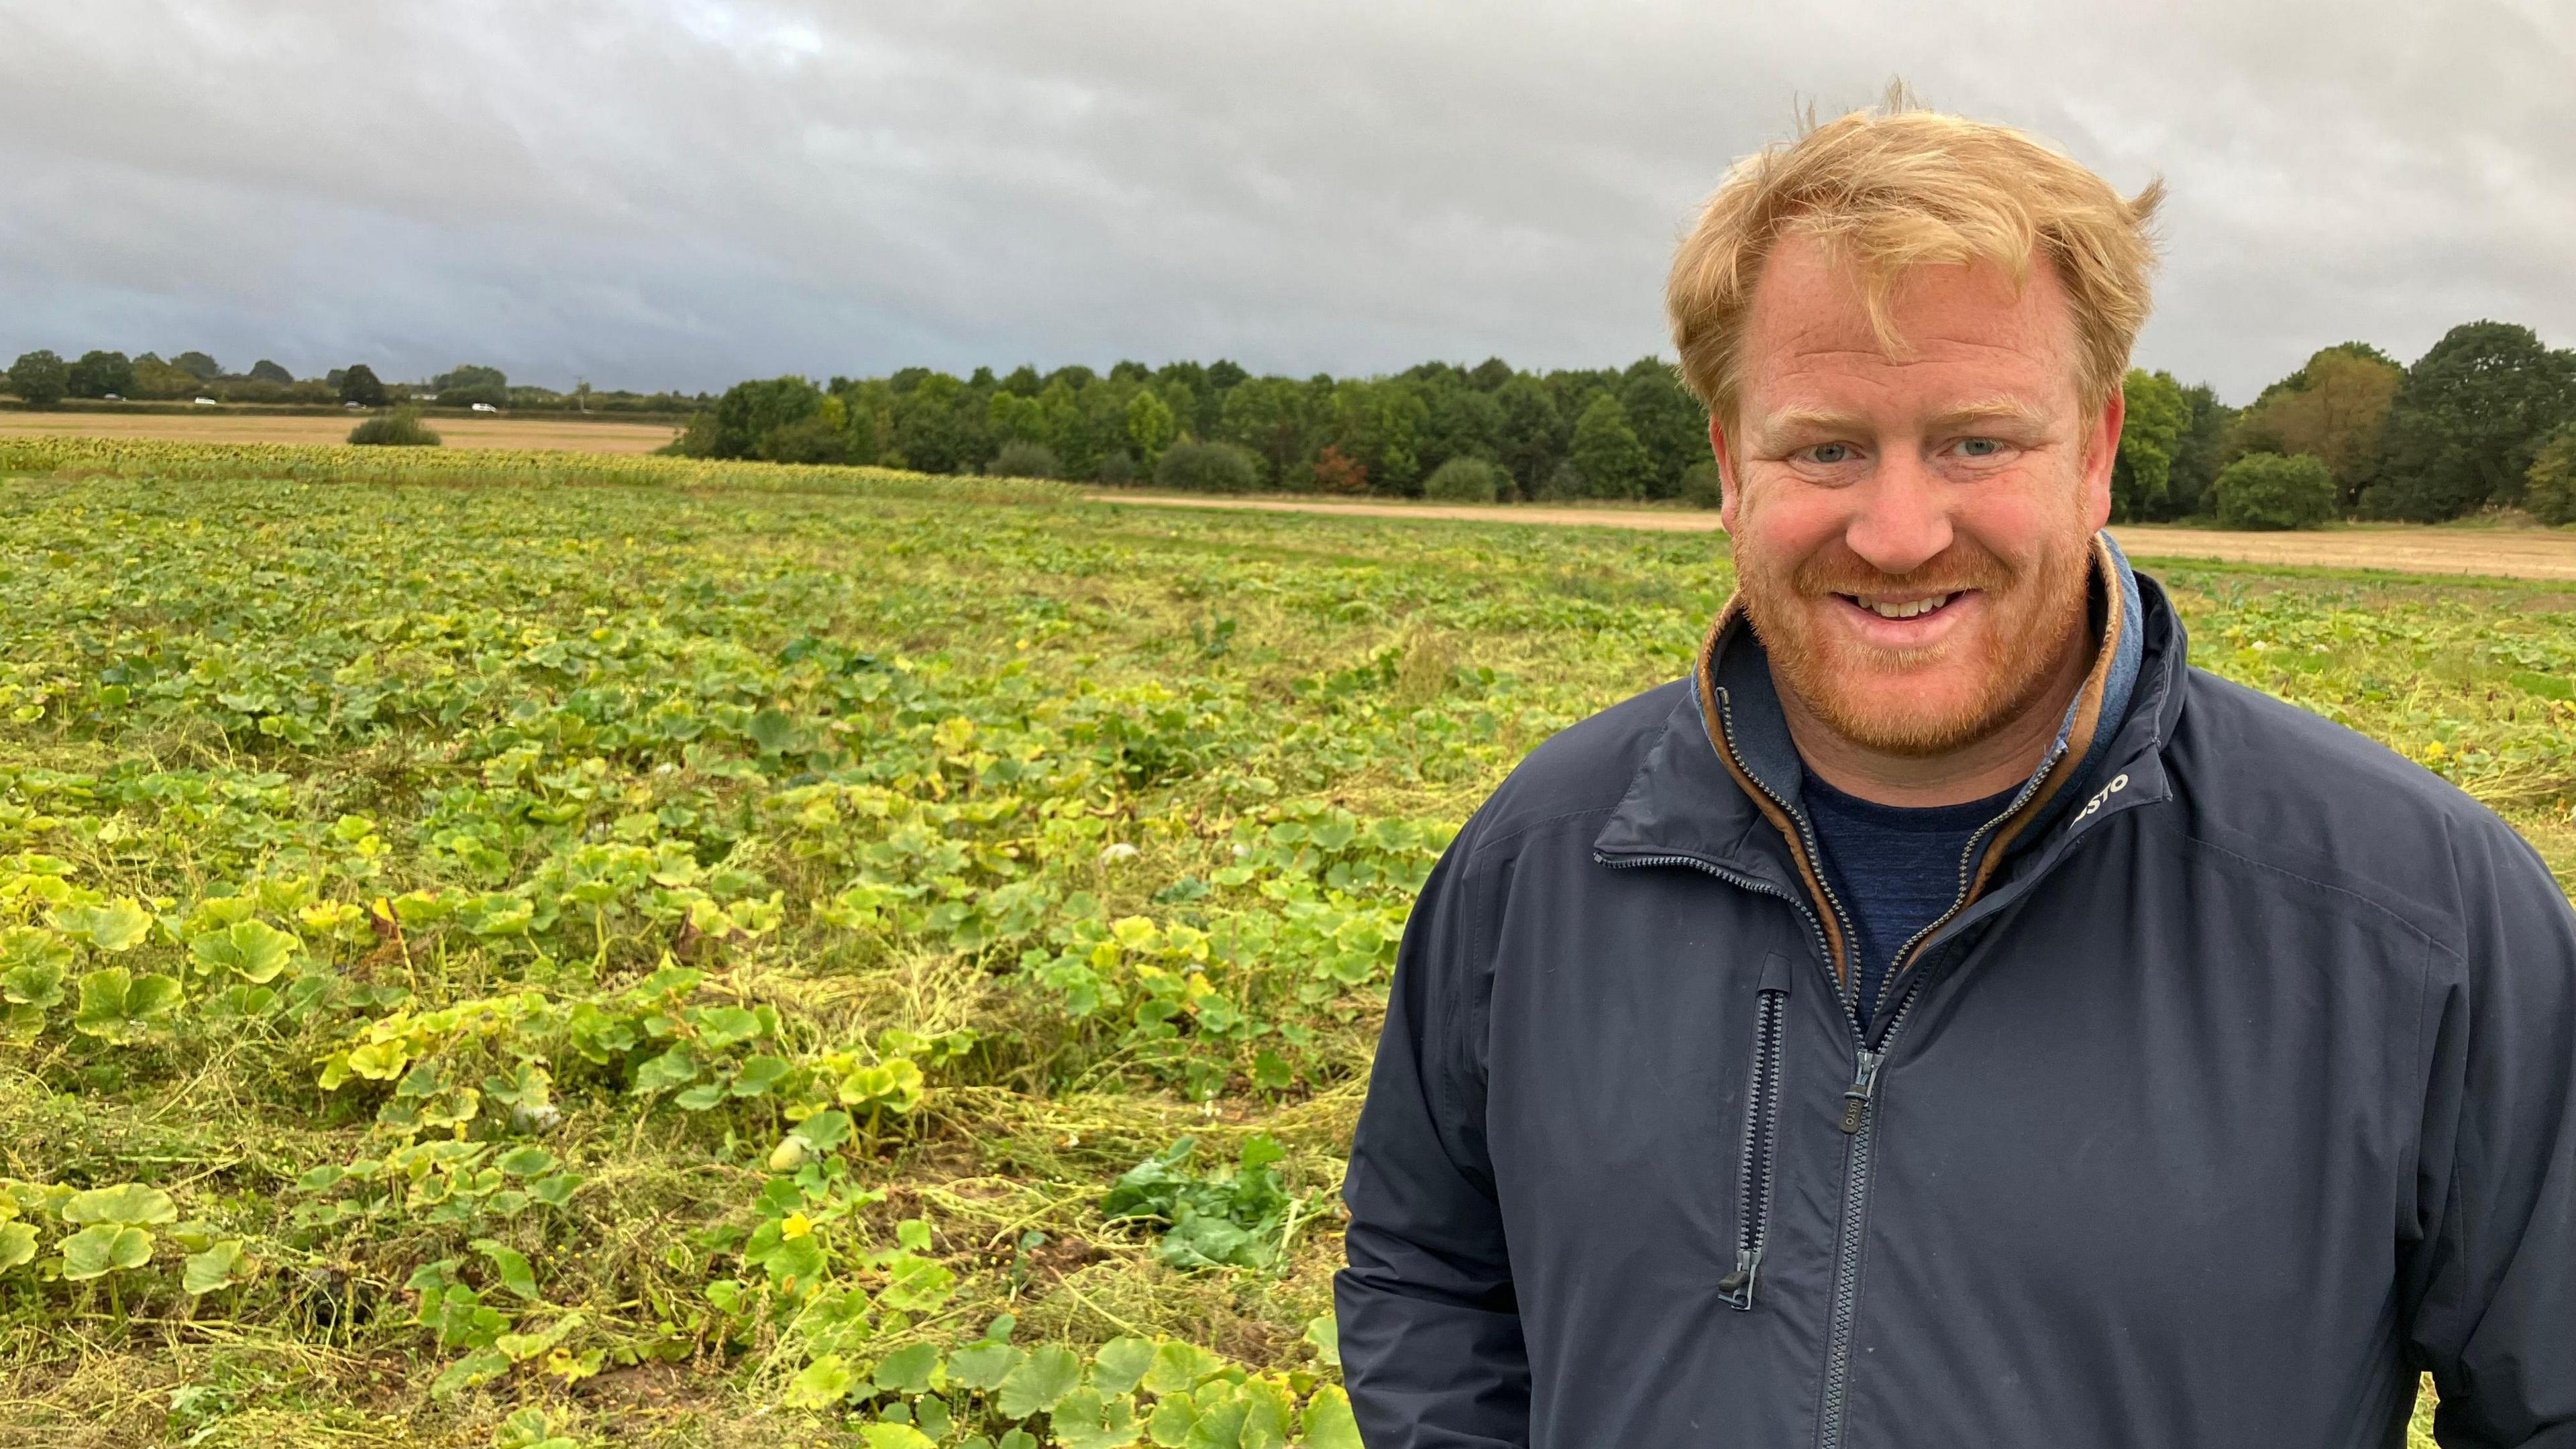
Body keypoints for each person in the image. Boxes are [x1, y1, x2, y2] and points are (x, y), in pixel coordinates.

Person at [1335, 95, 2576, 1448]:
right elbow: (1428, 1272)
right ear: (1732, 469)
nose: (1900, 531)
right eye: (1827, 448)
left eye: (1978, 442)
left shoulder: (2420, 916)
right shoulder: (1543, 854)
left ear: (2095, 453)